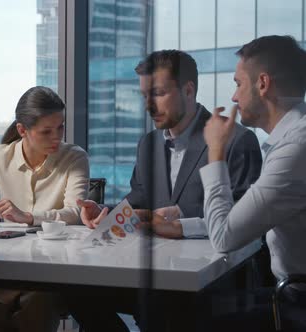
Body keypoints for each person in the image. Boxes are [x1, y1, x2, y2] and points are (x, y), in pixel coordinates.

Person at [69, 50, 263, 332]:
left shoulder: (236, 140)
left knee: (163, 308)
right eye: (144, 96)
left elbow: (246, 222)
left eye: (158, 93)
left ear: (188, 90)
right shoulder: (148, 144)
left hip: (213, 282)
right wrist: (107, 213)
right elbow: (139, 197)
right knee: (77, 291)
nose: (149, 105)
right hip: (155, 274)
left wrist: (180, 223)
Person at [0, 86, 90, 332]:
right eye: (46, 131)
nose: (57, 137)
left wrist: (28, 217)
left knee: (37, 304)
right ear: (22, 130)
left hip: (54, 266)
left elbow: (75, 212)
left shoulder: (74, 157)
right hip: (7, 265)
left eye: (60, 127)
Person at [201, 35, 306, 331]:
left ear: (262, 84)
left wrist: (216, 152)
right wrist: (185, 226)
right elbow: (246, 214)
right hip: (289, 290)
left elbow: (224, 237)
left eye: (238, 84)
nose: (233, 98)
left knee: (190, 315)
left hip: (296, 301)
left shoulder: (295, 149)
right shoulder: (293, 138)